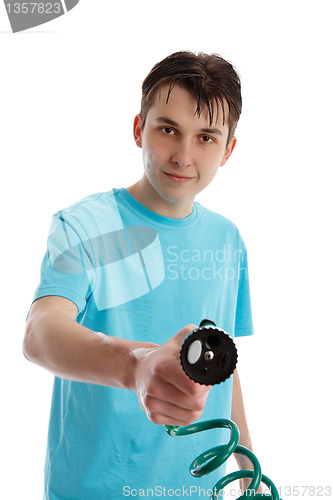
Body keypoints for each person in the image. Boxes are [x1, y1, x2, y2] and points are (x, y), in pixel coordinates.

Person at [24, 51, 261, 499]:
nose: (183, 156)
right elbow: (40, 333)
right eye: (168, 129)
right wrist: (136, 366)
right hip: (95, 489)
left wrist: (248, 467)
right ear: (139, 129)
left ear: (229, 149)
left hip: (198, 490)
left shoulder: (227, 239)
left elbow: (222, 368)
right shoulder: (88, 226)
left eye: (206, 137)